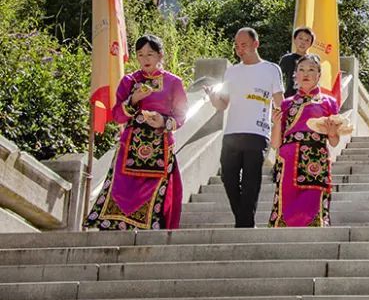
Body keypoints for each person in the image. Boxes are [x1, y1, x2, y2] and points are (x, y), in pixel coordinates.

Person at [85, 34, 188, 230]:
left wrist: (163, 121)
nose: (145, 59)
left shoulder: (173, 82)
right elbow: (117, 116)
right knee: (122, 189)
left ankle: (150, 229)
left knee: (154, 195)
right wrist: (133, 100)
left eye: (150, 54)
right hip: (130, 146)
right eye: (140, 55)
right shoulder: (129, 81)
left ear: (160, 55)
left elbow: (181, 115)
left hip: (160, 147)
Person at [209, 27, 284, 228]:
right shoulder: (231, 71)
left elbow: (280, 100)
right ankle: (245, 222)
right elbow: (222, 104)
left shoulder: (271, 69)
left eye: (244, 45)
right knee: (228, 177)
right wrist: (213, 99)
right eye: (237, 46)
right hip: (232, 133)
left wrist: (281, 124)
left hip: (258, 132)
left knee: (251, 180)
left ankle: (243, 225)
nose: (239, 50)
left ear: (256, 44)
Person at [268, 54, 342, 227]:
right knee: (286, 205)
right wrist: (276, 123)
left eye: (311, 69)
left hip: (316, 158)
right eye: (301, 70)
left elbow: (334, 142)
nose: (306, 74)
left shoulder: (329, 103)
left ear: (319, 74)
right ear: (295, 74)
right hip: (288, 160)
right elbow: (275, 144)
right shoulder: (286, 104)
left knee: (313, 205)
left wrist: (332, 132)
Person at [278, 26, 315, 100]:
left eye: (307, 40)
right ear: (294, 40)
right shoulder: (286, 59)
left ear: (311, 43)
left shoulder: (313, 61)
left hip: (308, 100)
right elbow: (278, 80)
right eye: (300, 38)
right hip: (289, 99)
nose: (303, 42)